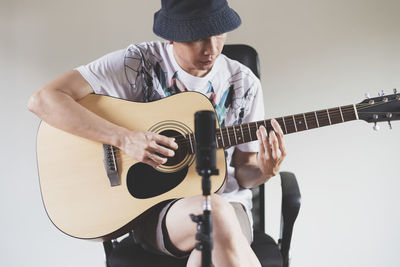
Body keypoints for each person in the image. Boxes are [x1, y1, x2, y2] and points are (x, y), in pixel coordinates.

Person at [28, 0, 286, 266]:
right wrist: (122, 138)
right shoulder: (138, 63)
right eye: (198, 37)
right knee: (212, 215)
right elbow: (43, 100)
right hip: (157, 209)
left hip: (229, 205)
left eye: (219, 33)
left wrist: (265, 170)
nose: (212, 48)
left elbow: (244, 173)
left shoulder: (244, 83)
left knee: (212, 225)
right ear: (171, 36)